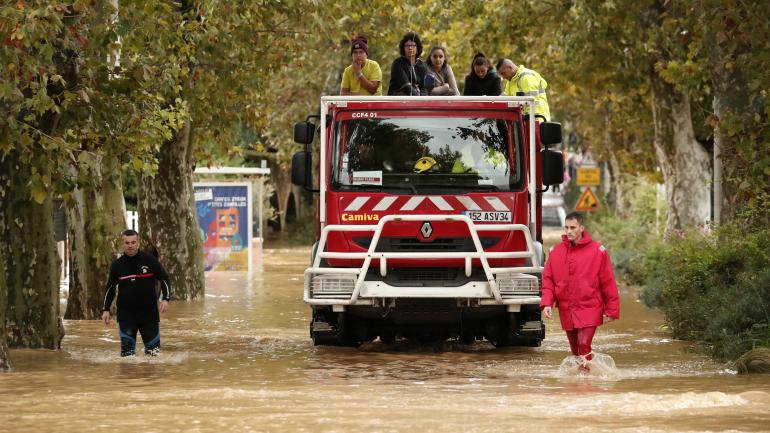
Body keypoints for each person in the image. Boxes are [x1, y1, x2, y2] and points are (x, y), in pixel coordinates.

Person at [540, 212, 619, 373]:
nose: (568, 231)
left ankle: (586, 384)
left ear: (581, 228)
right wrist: (547, 303)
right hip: (567, 310)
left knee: (584, 345)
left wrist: (611, 310)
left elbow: (608, 282)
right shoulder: (555, 252)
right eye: (566, 227)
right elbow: (548, 280)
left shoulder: (598, 251)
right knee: (575, 351)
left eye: (573, 228)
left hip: (590, 307)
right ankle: (582, 381)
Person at [102, 229, 171, 357]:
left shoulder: (149, 260)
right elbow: (110, 287)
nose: (130, 245)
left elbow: (164, 278)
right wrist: (105, 309)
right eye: (127, 243)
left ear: (138, 243)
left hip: (149, 315)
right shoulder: (117, 265)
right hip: (126, 316)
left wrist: (166, 299)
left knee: (153, 356)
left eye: (133, 242)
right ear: (123, 244)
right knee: (127, 357)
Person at [387, 32, 428, 96]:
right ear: (403, 48)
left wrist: (423, 99)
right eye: (407, 45)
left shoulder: (422, 65)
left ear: (417, 48)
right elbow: (406, 86)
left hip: (417, 99)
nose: (410, 48)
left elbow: (424, 88)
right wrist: (418, 97)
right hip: (398, 99)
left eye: (413, 45)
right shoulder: (398, 63)